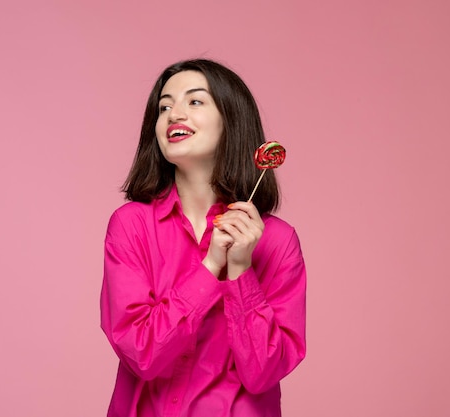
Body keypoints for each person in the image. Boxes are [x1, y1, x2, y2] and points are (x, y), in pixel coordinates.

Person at [100, 58, 306, 417]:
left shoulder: (277, 242)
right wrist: (210, 267)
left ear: (232, 120)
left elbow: (264, 374)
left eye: (194, 101)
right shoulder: (130, 226)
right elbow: (141, 353)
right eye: (164, 106)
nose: (173, 113)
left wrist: (241, 271)